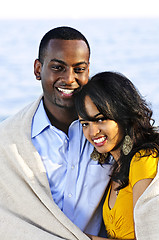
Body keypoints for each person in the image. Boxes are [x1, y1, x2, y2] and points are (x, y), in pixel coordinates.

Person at [0, 27, 111, 239]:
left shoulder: (108, 132)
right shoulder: (7, 141)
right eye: (58, 68)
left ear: (88, 71)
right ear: (38, 69)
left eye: (79, 69)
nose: (69, 78)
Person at [75, 71, 159, 240]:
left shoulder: (144, 159)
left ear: (123, 115)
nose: (92, 132)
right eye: (85, 123)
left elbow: (148, 234)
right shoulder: (114, 167)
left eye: (100, 119)